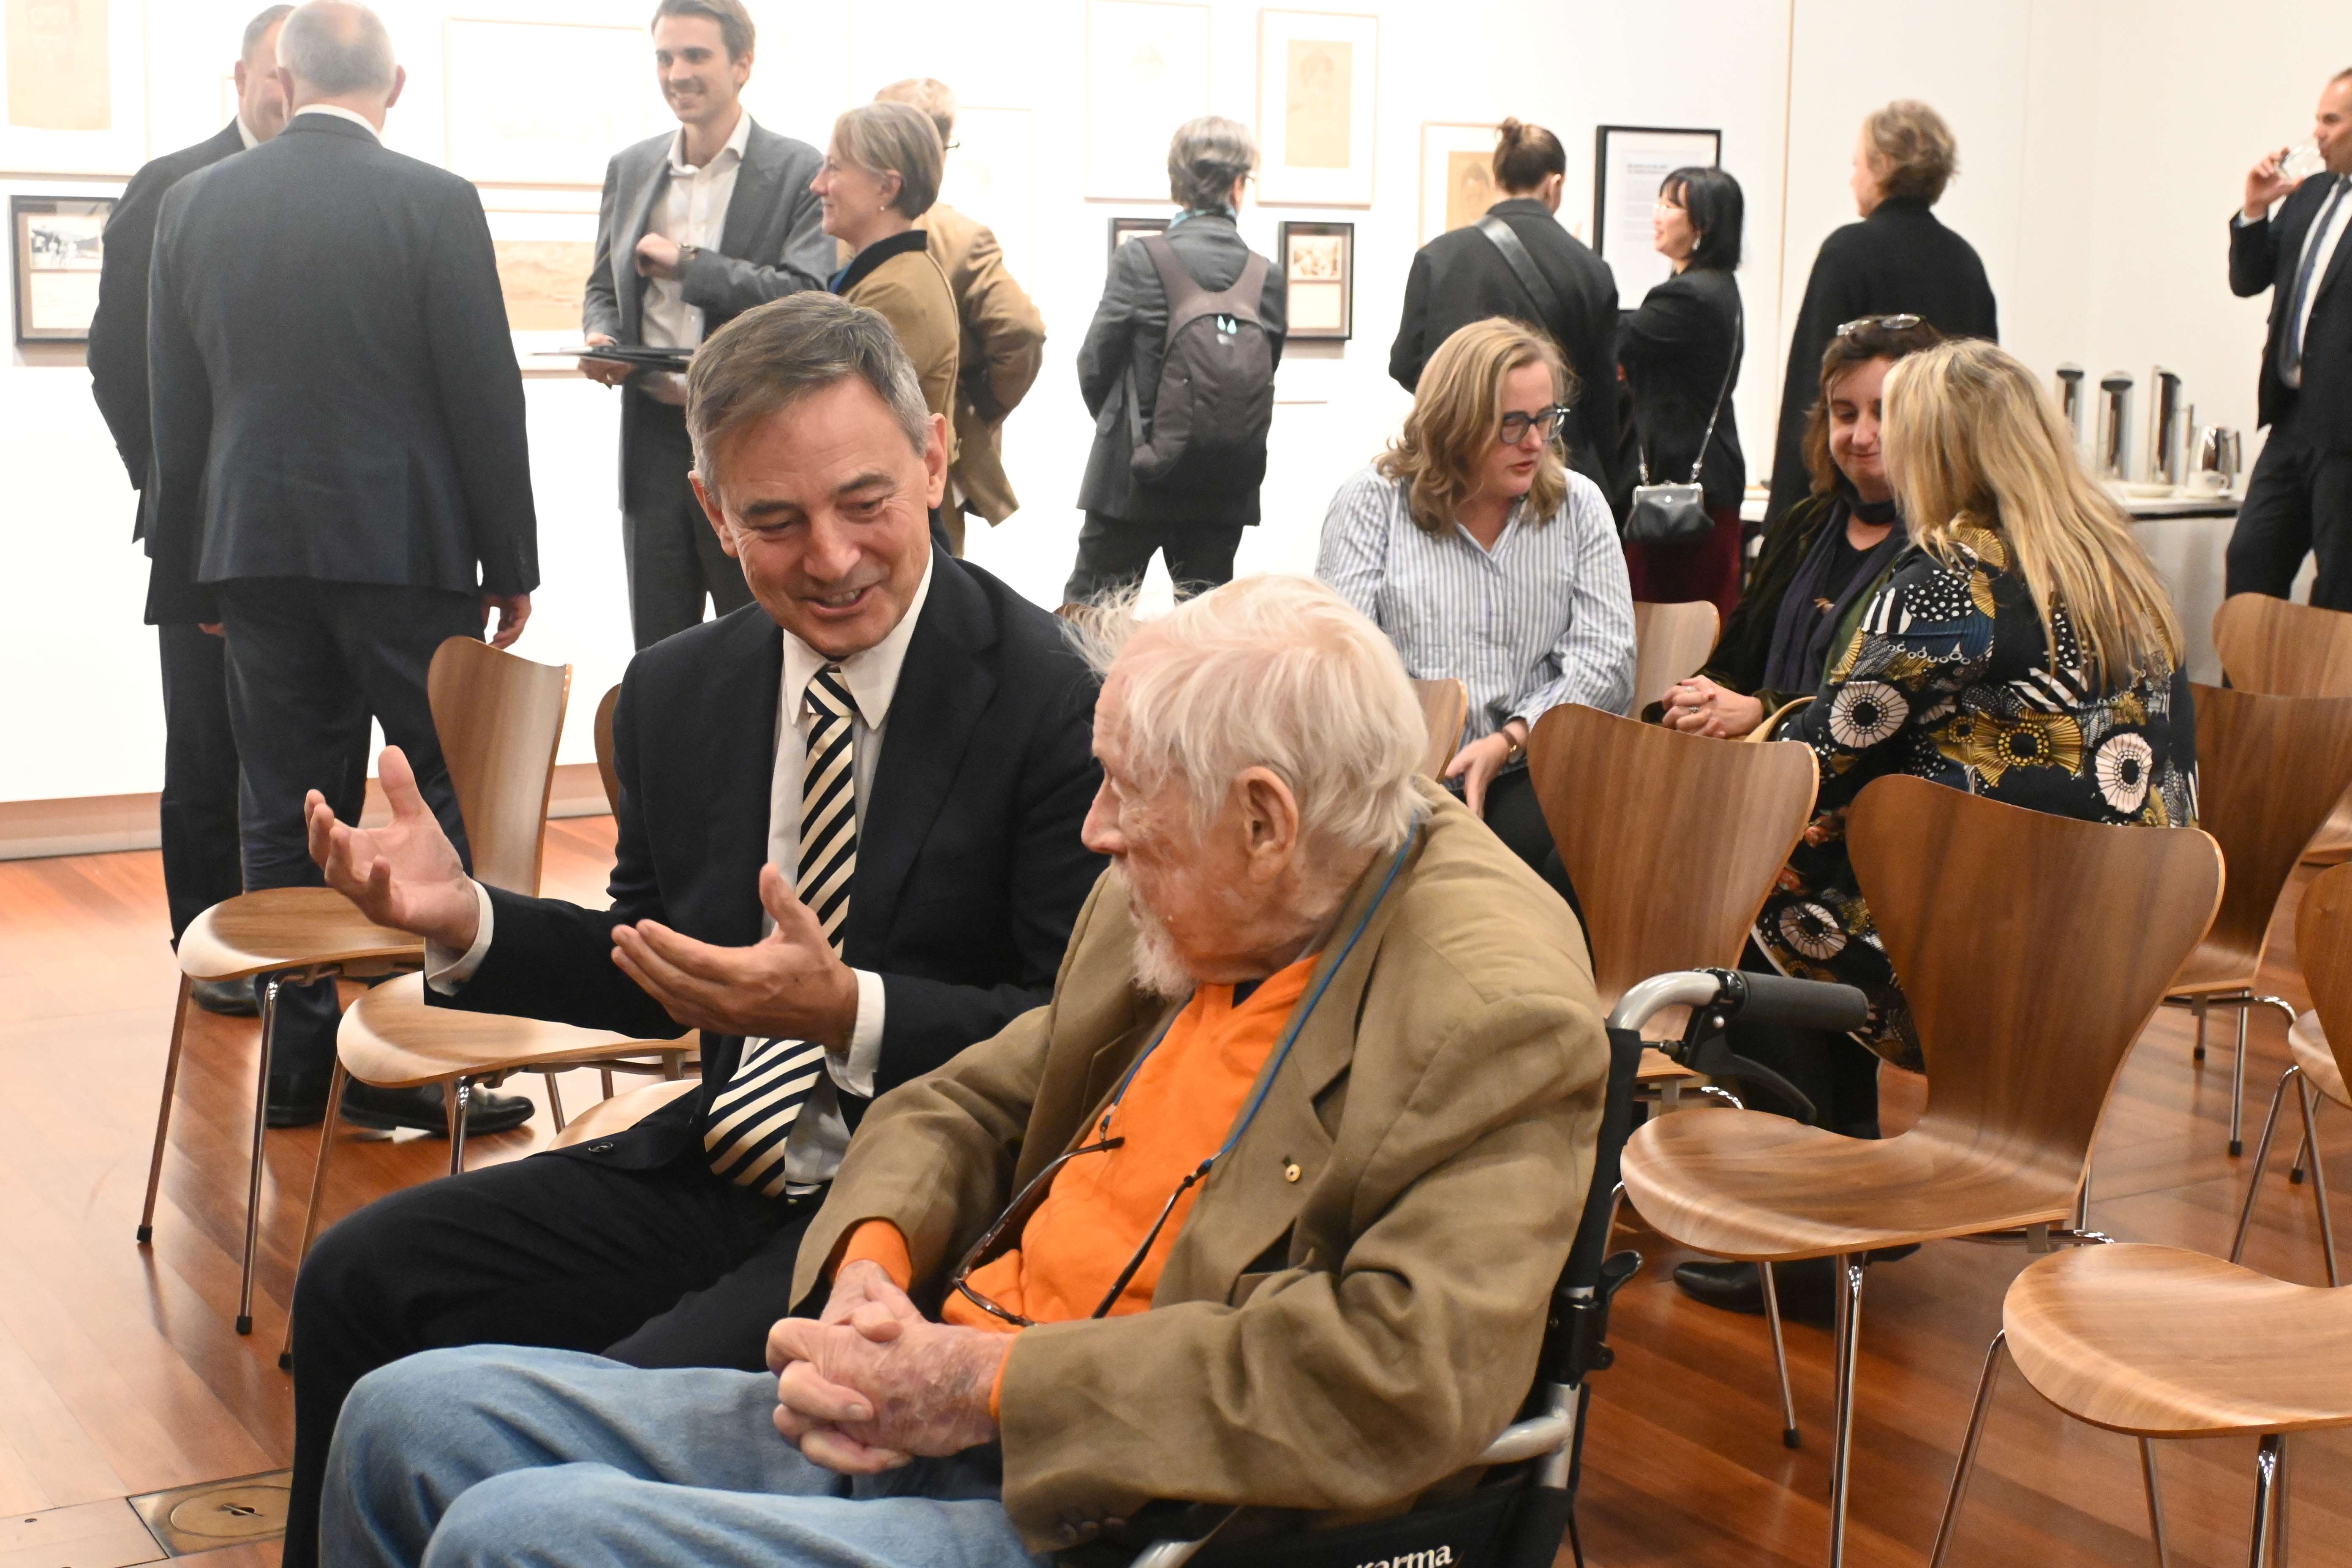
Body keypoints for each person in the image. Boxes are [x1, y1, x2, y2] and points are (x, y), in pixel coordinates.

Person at [318, 574, 1610, 1568]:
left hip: (1114, 1506)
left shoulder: (1486, 1011)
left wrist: (988, 1387)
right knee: (404, 1421)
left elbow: (1401, 1378)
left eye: (1124, 794)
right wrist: (876, 1265)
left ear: (1265, 818)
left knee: (523, 1537)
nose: (1095, 830)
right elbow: (966, 1098)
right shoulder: (1199, 889)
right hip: (946, 1388)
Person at [280, 293, 1105, 1568]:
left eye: (865, 501)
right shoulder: (680, 690)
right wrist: (470, 921)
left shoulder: (1052, 699)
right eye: (773, 520)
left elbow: (1074, 1037)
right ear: (712, 512)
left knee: (559, 1447)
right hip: (716, 1164)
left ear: (936, 458)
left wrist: (848, 1010)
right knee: (356, 1276)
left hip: (909, 1220)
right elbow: (663, 971)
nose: (829, 557)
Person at [1674, 339, 2198, 1316]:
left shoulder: (1944, 585)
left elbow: (1826, 747)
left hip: (1979, 953)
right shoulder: (2120, 569)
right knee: (1825, 866)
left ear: (1940, 452)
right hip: (2117, 943)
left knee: (1757, 889)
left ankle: (1805, 1238)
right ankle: (1849, 1194)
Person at [144, 1, 536, 1138]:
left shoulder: (197, 203)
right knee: (436, 800)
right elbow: (483, 390)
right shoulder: (434, 202)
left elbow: (182, 406)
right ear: (396, 85)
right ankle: (403, 1070)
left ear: (281, 78)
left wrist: (190, 579)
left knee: (282, 807)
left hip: (253, 549)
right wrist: (509, 557)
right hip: (406, 548)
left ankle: (298, 1071)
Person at [84, 4, 292, 1017]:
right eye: (275, 71)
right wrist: (170, 490)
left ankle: (294, 939)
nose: (290, 89)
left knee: (301, 748)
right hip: (201, 527)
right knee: (206, 744)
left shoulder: (329, 189)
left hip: (305, 533)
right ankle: (210, 944)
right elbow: (116, 363)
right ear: (242, 74)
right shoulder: (170, 185)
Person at [1319, 318, 1636, 901]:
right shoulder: (1373, 504)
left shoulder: (1578, 506)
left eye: (1546, 419)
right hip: (1407, 773)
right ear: (1452, 423)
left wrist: (1513, 737)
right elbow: (1344, 662)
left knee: (1545, 858)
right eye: (1512, 425)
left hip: (1531, 766)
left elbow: (1607, 660)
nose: (1536, 443)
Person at [581, 0, 831, 651]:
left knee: (763, 642)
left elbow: (803, 295)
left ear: (742, 64)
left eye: (696, 55)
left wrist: (691, 267)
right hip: (654, 438)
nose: (676, 73)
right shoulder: (631, 168)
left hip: (748, 434)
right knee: (660, 648)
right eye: (665, 57)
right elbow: (604, 287)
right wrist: (602, 338)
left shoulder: (798, 169)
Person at [1657, 316, 1945, 739]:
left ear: (1934, 419)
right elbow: (1738, 660)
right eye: (1845, 414)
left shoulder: (1947, 546)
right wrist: (1701, 700)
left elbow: (1891, 713)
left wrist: (1765, 712)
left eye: (1886, 413)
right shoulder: (1801, 524)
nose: (1862, 435)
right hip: (1756, 767)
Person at [1070, 117, 1286, 602]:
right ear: (1238, 187)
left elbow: (1094, 363)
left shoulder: (1140, 259)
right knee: (1204, 637)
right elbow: (1263, 371)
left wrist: (1126, 428)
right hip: (1222, 486)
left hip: (1132, 479)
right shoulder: (1265, 275)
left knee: (1087, 624)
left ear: (1176, 185)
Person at [1763, 100, 1998, 534]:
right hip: (1947, 507)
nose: (1853, 178)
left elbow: (1809, 391)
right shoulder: (1967, 262)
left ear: (1884, 164)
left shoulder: (1848, 252)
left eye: (1858, 164)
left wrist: (1784, 522)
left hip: (1858, 515)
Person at [1390, 119, 1621, 509]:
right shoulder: (1589, 269)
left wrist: (1469, 412)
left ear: (1498, 179)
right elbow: (1602, 397)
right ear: (1555, 185)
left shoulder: (1439, 257)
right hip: (1551, 474)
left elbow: (1406, 365)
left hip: (1457, 470)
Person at [874, 78, 1047, 558]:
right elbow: (1023, 332)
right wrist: (978, 408)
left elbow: (1021, 331)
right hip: (927, 460)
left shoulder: (835, 228)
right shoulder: (961, 236)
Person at [2225, 67, 2352, 607]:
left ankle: (2328, 697)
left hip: (2346, 434)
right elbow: (2249, 280)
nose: (2317, 133)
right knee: (2251, 562)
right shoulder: (2311, 194)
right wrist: (2255, 210)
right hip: (2290, 422)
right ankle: (2243, 696)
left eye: (2331, 120)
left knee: (2338, 592)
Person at [1618, 165, 1748, 615]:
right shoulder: (1712, 288)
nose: (1657, 214)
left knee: (1670, 632)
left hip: (1684, 495)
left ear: (1703, 226)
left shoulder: (1691, 296)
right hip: (1705, 484)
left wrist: (1582, 279)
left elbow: (1615, 341)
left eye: (1671, 205)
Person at [814, 102, 960, 443]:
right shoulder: (886, 275)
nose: (817, 185)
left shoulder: (896, 294)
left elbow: (843, 422)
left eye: (833, 168)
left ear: (886, 188)